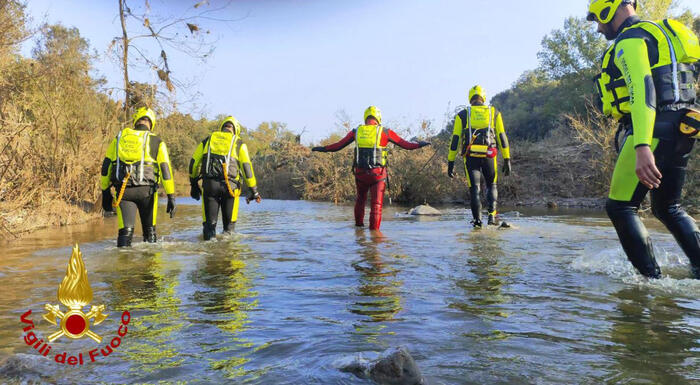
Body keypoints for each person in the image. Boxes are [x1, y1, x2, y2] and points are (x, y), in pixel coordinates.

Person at [587, 0, 700, 278]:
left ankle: (652, 284)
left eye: (598, 20)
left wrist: (642, 145)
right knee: (668, 207)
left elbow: (642, 90)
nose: (599, 28)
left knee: (620, 206)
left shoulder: (630, 38)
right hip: (683, 126)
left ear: (609, 8)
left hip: (651, 127)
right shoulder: (663, 33)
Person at [311, 106, 430, 230]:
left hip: (360, 174)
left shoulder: (356, 131)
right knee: (376, 205)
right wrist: (420, 144)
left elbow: (338, 146)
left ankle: (358, 231)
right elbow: (407, 145)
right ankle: (375, 237)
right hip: (378, 175)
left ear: (365, 117)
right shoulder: (385, 132)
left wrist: (322, 149)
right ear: (378, 118)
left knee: (360, 200)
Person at [100, 107, 176, 247]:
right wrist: (171, 195)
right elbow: (165, 170)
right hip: (147, 192)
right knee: (150, 232)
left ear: (135, 121)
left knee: (125, 233)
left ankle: (123, 265)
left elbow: (106, 167)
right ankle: (152, 267)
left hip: (124, 192)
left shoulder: (119, 138)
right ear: (151, 123)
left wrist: (105, 192)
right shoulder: (156, 141)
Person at [447, 85, 512, 228]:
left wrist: (450, 161)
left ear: (470, 98)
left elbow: (455, 140)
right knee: (491, 185)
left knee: (474, 189)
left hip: (470, 157)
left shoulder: (463, 115)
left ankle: (477, 222)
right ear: (484, 97)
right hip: (490, 155)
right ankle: (491, 216)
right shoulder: (494, 112)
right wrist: (507, 159)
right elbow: (502, 136)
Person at [189, 116, 261, 240]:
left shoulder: (208, 140)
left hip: (209, 186)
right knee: (229, 231)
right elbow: (247, 168)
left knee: (209, 228)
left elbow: (194, 163)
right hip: (230, 188)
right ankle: (227, 254)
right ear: (236, 130)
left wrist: (194, 184)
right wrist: (254, 190)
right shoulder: (239, 143)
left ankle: (209, 253)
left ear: (222, 128)